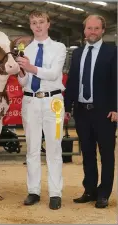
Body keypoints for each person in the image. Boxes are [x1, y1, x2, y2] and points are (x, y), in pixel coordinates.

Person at [64, 14, 117, 208]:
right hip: (82, 112)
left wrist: (116, 108)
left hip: (105, 113)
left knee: (107, 155)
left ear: (103, 30)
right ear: (84, 30)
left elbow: (116, 81)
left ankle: (104, 193)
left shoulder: (112, 52)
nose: (92, 32)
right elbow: (72, 82)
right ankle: (90, 190)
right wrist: (68, 107)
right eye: (89, 28)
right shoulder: (77, 53)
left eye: (96, 28)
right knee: (87, 153)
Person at [16, 11, 66, 210]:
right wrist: (21, 71)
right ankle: (34, 191)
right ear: (30, 25)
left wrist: (30, 67)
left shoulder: (59, 48)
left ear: (48, 24)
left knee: (54, 148)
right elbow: (23, 82)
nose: (37, 26)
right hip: (30, 103)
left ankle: (55, 193)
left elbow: (54, 75)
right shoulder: (25, 50)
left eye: (41, 22)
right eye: (34, 23)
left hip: (53, 102)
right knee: (32, 148)